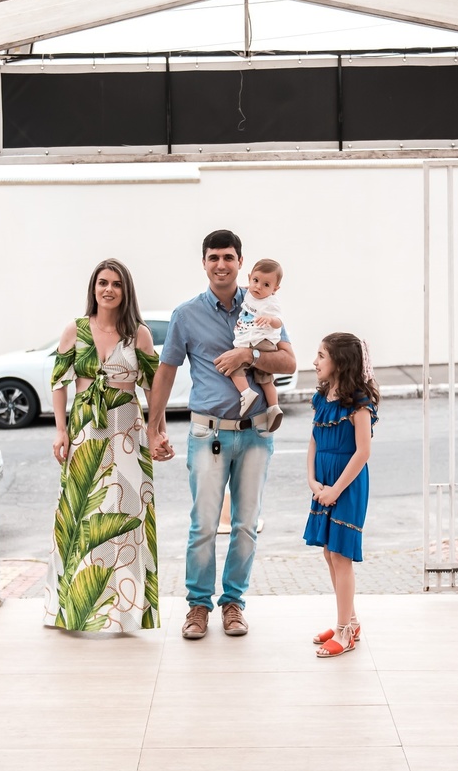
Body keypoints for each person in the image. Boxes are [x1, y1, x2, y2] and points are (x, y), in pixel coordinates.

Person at [147, 230, 296, 640]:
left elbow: (289, 361)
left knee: (246, 526)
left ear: (240, 263)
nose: (221, 264)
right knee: (204, 526)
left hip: (257, 433)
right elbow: (167, 370)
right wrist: (153, 424)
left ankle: (234, 604)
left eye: (228, 257)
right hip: (207, 433)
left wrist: (249, 354)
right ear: (204, 263)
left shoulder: (261, 307)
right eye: (213, 257)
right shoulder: (186, 314)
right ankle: (198, 607)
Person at [43, 258, 161, 632]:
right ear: (93, 288)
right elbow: (59, 382)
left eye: (116, 284)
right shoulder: (75, 331)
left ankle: (126, 610)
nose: (108, 289)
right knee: (81, 514)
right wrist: (60, 430)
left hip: (127, 428)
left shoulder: (138, 334)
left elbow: (153, 388)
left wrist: (157, 431)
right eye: (102, 283)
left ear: (125, 291)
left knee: (127, 515)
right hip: (84, 430)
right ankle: (74, 608)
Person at [303, 332, 379, 658]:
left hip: (347, 485)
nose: (315, 362)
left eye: (321, 356)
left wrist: (336, 488)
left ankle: (345, 631)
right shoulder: (322, 398)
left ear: (340, 362)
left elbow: (363, 452)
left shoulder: (358, 403)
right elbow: (314, 442)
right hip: (324, 484)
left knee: (340, 554)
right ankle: (349, 620)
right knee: (327, 552)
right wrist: (312, 481)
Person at [231, 258, 285, 434]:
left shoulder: (271, 302)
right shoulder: (249, 293)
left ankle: (246, 394)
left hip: (258, 341)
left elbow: (278, 321)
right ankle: (274, 407)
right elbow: (245, 289)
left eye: (266, 285)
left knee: (234, 366)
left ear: (275, 289)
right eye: (255, 281)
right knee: (265, 379)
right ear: (249, 278)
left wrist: (270, 319)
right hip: (257, 341)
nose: (258, 287)